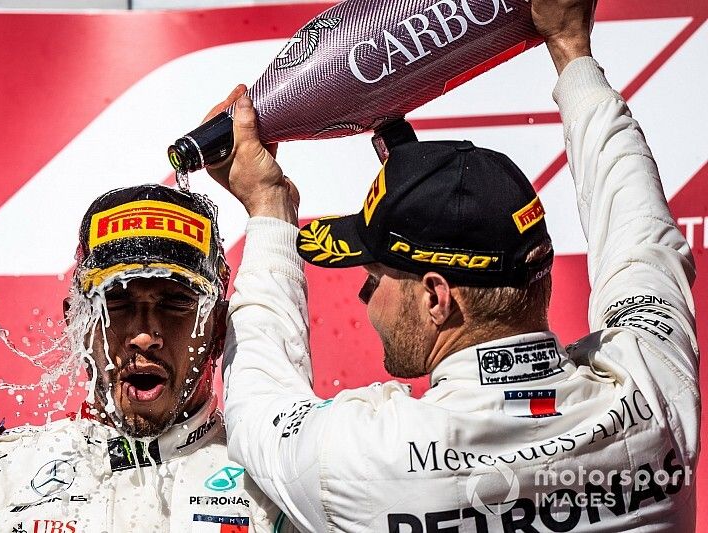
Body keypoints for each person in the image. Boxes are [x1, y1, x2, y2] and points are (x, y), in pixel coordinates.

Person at [207, 0, 700, 531]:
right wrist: (570, 47)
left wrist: (267, 208)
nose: (363, 299)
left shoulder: (365, 460)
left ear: (437, 296)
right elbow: (637, 235)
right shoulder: (655, 391)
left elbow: (258, 399)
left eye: (375, 279)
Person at [0, 184, 291, 532]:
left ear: (218, 326)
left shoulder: (282, 488)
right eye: (117, 303)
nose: (144, 336)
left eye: (176, 303)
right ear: (78, 323)